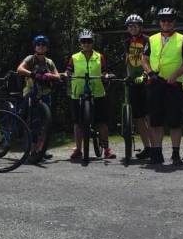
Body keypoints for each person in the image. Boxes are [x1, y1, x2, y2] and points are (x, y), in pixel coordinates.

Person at [141, 7, 183, 166]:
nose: (166, 23)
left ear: (174, 22)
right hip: (156, 83)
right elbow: (144, 58)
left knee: (175, 121)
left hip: (174, 84)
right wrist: (149, 72)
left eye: (169, 20)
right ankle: (157, 152)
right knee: (155, 120)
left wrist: (176, 75)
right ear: (159, 22)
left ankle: (176, 153)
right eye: (163, 20)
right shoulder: (151, 39)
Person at [64, 29, 116, 160]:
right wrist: (65, 76)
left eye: (89, 41)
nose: (86, 44)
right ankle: (78, 149)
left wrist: (107, 76)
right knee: (77, 123)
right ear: (80, 43)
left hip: (97, 92)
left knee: (102, 122)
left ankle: (106, 149)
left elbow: (104, 72)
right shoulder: (74, 57)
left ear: (93, 43)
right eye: (84, 41)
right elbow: (68, 72)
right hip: (78, 92)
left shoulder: (99, 56)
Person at [16, 35, 60, 161]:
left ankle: (41, 149)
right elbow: (19, 69)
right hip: (31, 93)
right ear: (35, 46)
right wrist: (33, 74)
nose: (41, 47)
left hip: (45, 94)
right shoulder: (30, 59)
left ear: (46, 47)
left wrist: (48, 75)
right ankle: (32, 148)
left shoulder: (49, 62)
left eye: (43, 45)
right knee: (32, 121)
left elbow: (57, 76)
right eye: (38, 44)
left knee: (45, 123)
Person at [123, 14, 153, 160]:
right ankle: (147, 147)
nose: (132, 28)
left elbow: (150, 59)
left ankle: (155, 147)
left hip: (146, 81)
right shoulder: (127, 41)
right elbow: (128, 60)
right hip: (134, 81)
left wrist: (146, 74)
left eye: (135, 25)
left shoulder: (148, 40)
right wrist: (128, 76)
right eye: (129, 26)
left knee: (148, 115)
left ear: (140, 27)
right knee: (138, 117)